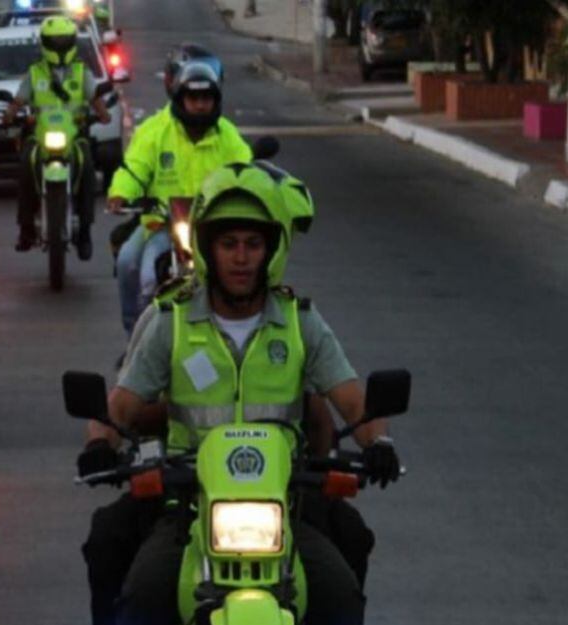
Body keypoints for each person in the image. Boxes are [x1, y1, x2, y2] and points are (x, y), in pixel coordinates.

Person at [103, 163, 401, 625]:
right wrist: (98, 445)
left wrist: (379, 443)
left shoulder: (300, 322)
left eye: (252, 244)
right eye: (228, 244)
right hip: (188, 506)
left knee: (340, 595)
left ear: (271, 250)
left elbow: (353, 400)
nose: (240, 257)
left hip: (285, 502)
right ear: (207, 249)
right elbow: (119, 406)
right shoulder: (172, 320)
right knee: (142, 598)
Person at [107, 60, 251, 338]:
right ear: (179, 99)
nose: (199, 105)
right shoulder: (155, 130)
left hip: (213, 226)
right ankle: (136, 340)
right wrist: (121, 192)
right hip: (160, 224)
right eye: (193, 98)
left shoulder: (227, 135)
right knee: (132, 264)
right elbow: (135, 168)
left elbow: (246, 169)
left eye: (206, 98)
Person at [5, 15, 111, 258]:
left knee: (87, 166)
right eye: (55, 42)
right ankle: (26, 228)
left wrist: (102, 115)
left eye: (64, 41)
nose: (60, 46)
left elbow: (95, 99)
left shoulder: (81, 72)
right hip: (40, 136)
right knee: (25, 163)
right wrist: (11, 115)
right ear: (44, 43)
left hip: (74, 136)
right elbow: (19, 100)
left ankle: (84, 230)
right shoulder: (34, 73)